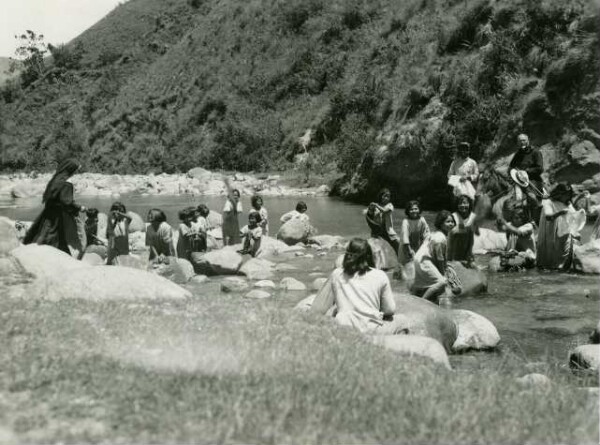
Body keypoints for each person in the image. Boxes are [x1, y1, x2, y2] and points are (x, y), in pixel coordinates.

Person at [310, 238, 407, 335]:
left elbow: (318, 309)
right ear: (369, 256)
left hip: (344, 328)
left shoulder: (337, 274)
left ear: (346, 256)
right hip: (371, 329)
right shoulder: (380, 275)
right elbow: (389, 309)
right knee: (402, 320)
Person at [24, 159, 86, 256]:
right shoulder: (67, 182)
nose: (76, 173)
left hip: (48, 211)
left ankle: (34, 251)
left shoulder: (57, 178)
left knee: (43, 232)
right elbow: (67, 201)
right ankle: (39, 254)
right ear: (71, 169)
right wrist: (80, 208)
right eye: (76, 170)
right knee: (51, 235)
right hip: (57, 215)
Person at [411, 210, 461, 302]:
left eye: (452, 222)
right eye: (447, 221)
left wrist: (446, 265)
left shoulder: (435, 234)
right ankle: (422, 302)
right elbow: (440, 258)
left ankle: (414, 298)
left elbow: (440, 255)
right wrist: (443, 274)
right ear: (440, 223)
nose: (450, 224)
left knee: (421, 283)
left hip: (418, 259)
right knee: (441, 282)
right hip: (424, 261)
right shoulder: (440, 238)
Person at [537, 183, 584, 271]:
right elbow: (548, 216)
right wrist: (560, 213)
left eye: (569, 195)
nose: (568, 197)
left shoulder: (567, 203)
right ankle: (553, 270)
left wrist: (579, 213)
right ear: (559, 194)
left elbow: (573, 214)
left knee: (565, 253)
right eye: (566, 195)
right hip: (551, 232)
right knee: (553, 255)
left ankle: (563, 269)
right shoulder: (548, 202)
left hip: (565, 232)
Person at [509, 133, 544, 219]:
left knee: (531, 197)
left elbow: (540, 168)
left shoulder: (536, 152)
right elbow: (511, 166)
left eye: (524, 140)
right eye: (520, 141)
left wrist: (526, 172)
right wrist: (512, 175)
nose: (522, 142)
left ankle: (536, 218)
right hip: (518, 180)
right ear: (517, 143)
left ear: (528, 141)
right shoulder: (518, 154)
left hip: (533, 180)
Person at [366, 188, 400, 254]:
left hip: (387, 230)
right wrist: (370, 208)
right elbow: (369, 215)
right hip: (377, 230)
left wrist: (376, 205)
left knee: (398, 242)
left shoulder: (390, 205)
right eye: (385, 196)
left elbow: (384, 211)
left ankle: (400, 259)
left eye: (388, 196)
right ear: (381, 196)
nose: (386, 198)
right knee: (373, 247)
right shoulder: (375, 206)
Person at [447, 195, 478, 265]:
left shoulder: (473, 217)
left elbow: (472, 238)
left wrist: (470, 252)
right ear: (457, 205)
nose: (463, 205)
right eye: (460, 203)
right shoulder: (453, 216)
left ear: (470, 204)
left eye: (465, 203)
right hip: (455, 246)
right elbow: (449, 238)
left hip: (468, 245)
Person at [399, 200, 431, 265]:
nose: (414, 211)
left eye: (416, 209)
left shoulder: (422, 219)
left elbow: (427, 233)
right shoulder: (406, 222)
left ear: (419, 209)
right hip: (407, 248)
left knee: (418, 264)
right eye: (411, 209)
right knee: (407, 265)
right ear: (408, 211)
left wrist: (425, 245)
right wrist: (409, 250)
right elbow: (405, 238)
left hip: (418, 245)